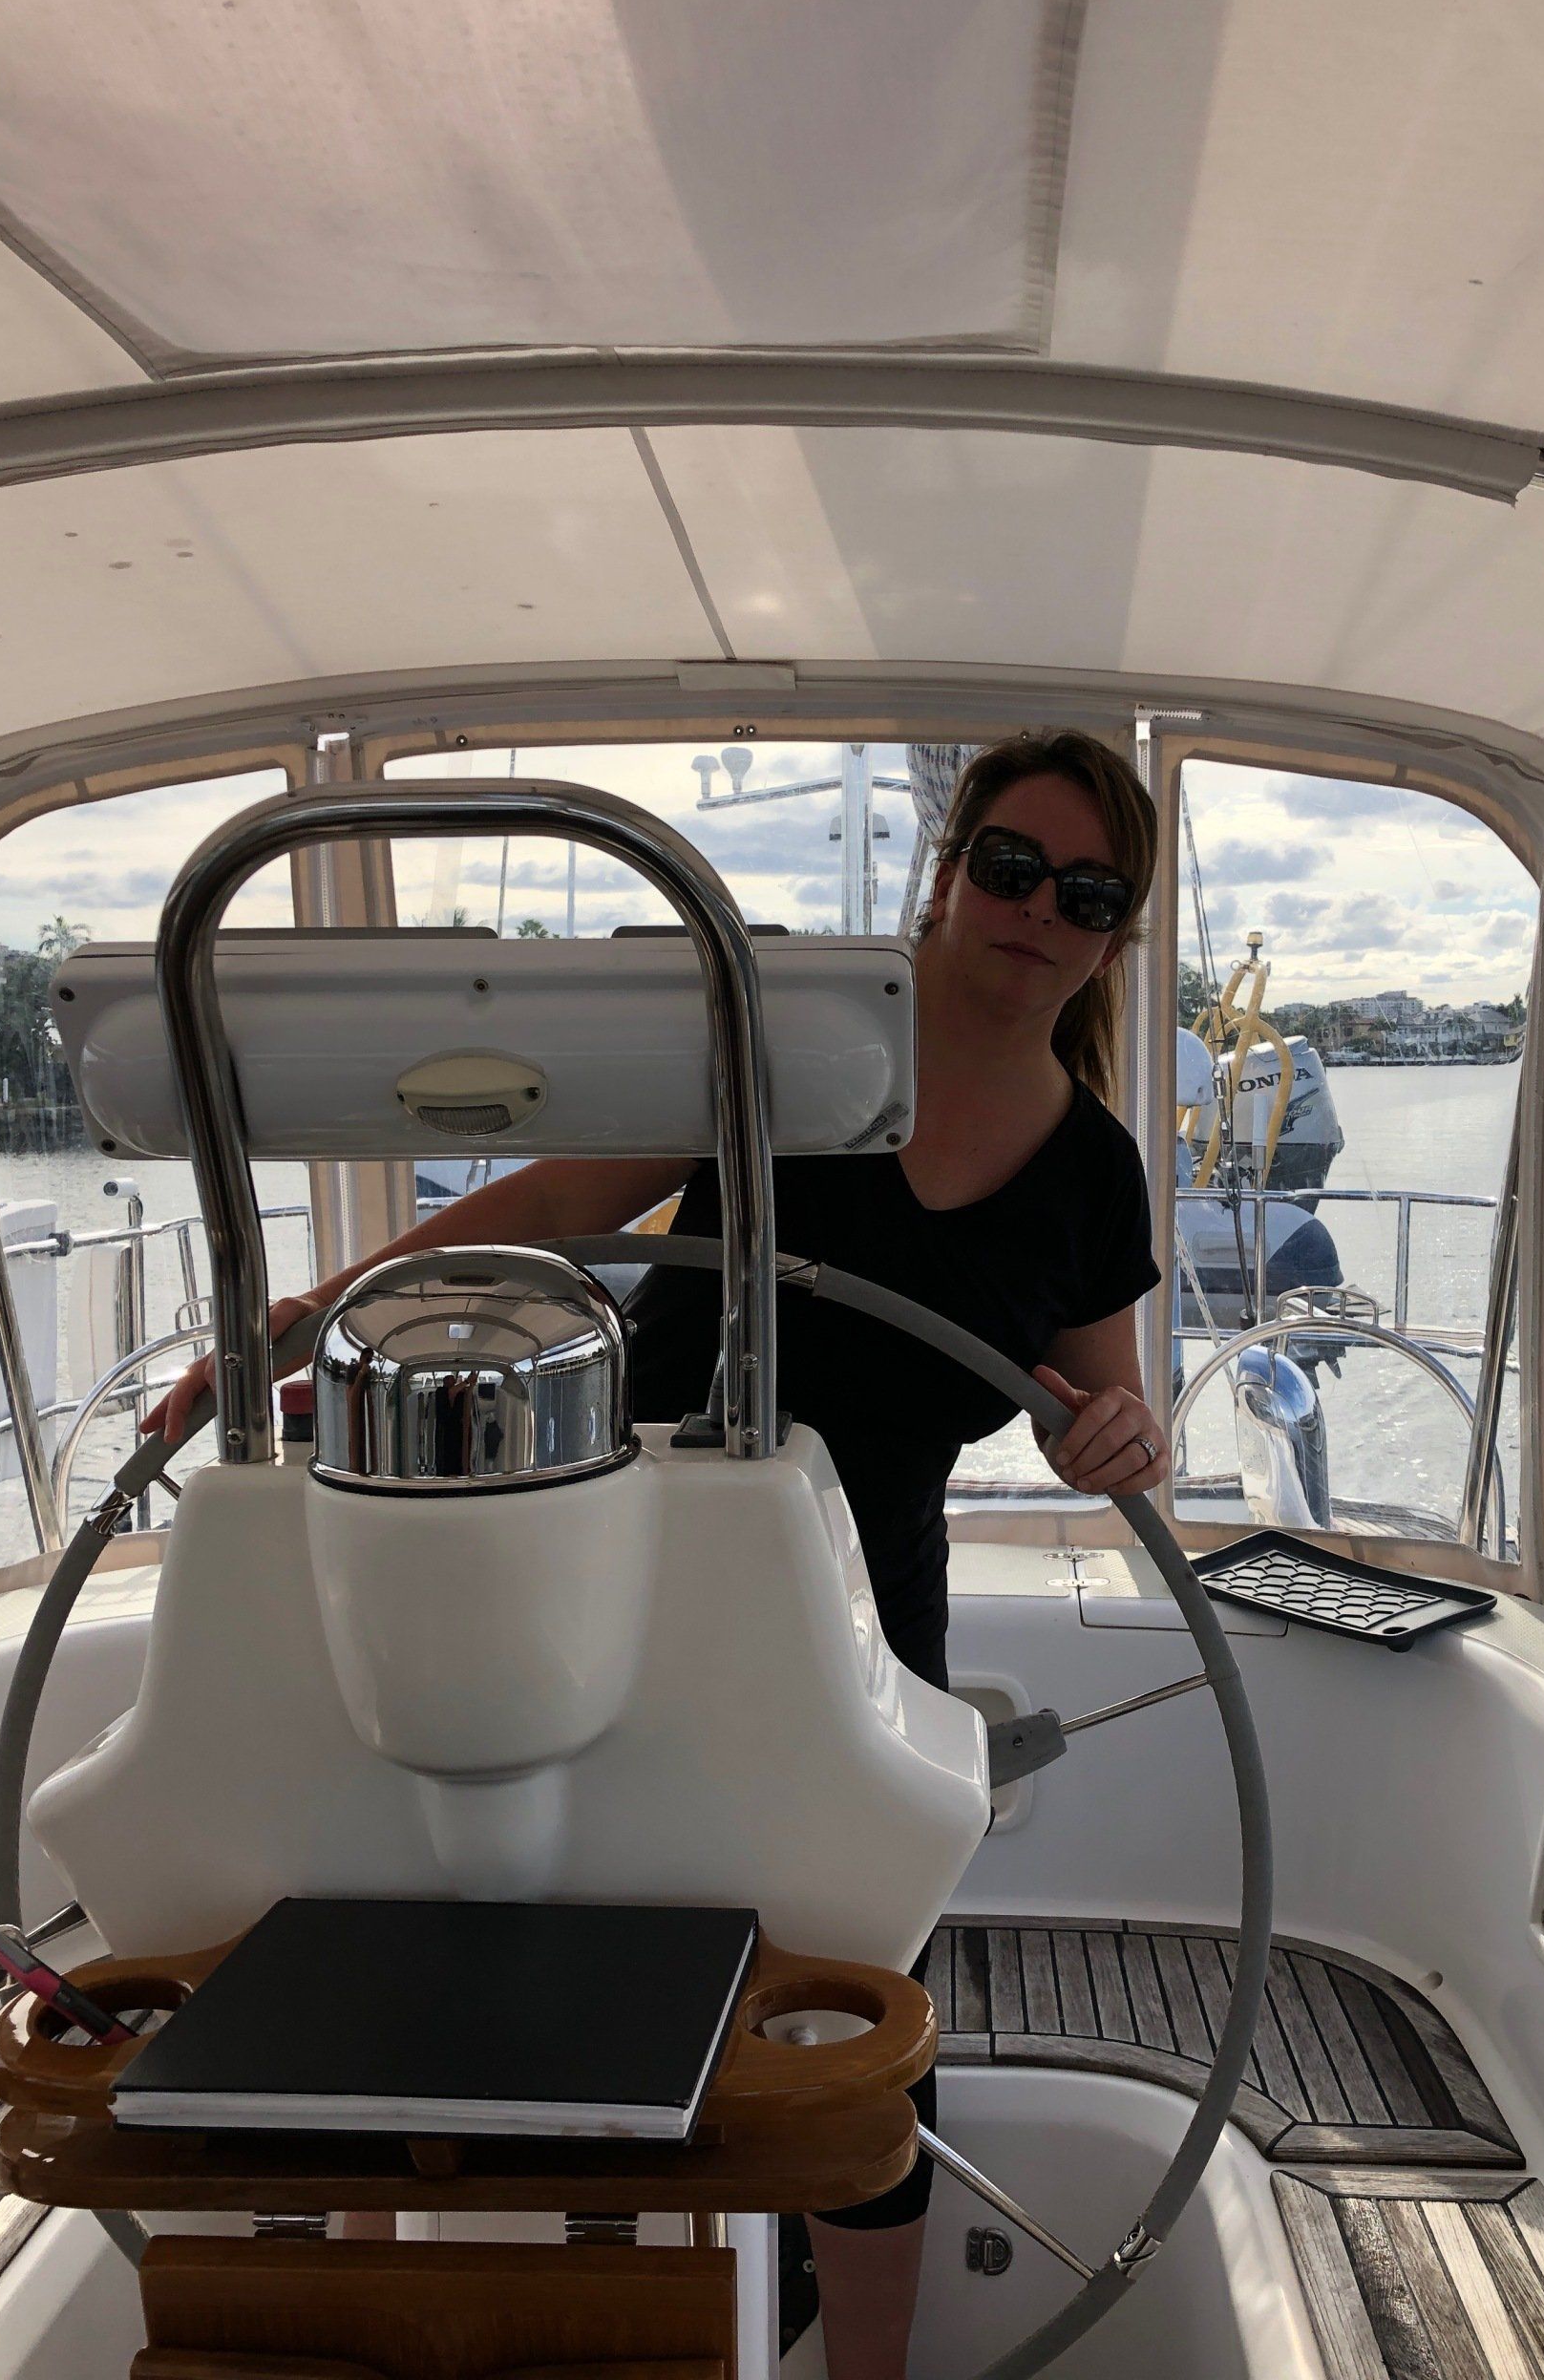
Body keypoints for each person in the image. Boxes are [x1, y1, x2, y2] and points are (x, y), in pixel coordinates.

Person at [149, 728, 1166, 2380]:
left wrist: (1118, 1438)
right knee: (530, 1970)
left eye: (1090, 893)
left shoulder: (1093, 1173)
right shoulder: (799, 1053)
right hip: (611, 1597)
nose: (1040, 909)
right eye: (1011, 865)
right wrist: (307, 1317)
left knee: (856, 2037)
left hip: (861, 1634)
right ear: (948, 871)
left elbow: (1100, 1411)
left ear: (1117, 937)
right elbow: (547, 1204)